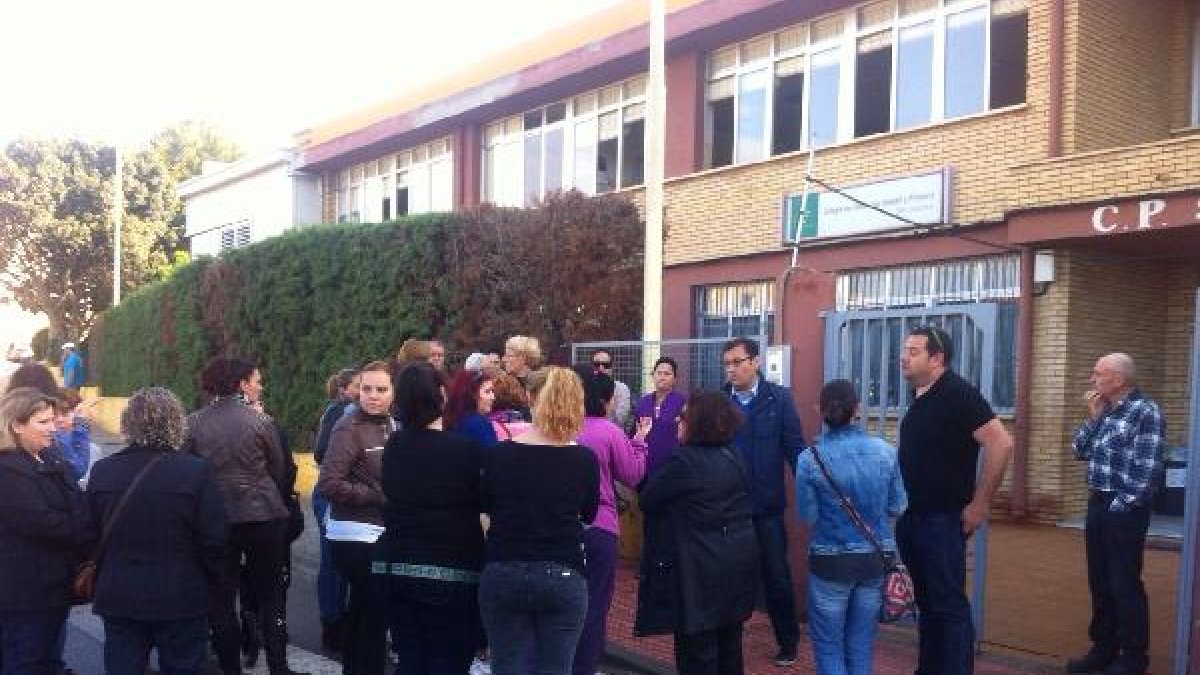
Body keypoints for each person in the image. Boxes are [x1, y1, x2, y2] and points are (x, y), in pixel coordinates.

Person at [86, 387, 228, 675]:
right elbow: (214, 538)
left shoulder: (103, 471)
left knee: (123, 667)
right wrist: (211, 579)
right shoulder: (196, 472)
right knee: (184, 665)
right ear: (176, 424)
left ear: (127, 424)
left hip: (119, 592)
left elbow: (89, 533)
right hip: (181, 593)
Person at [896, 326, 1012, 675]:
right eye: (905, 350)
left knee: (948, 607)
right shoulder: (921, 395)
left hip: (942, 521)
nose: (904, 357)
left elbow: (1000, 443)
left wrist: (980, 504)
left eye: (914, 351)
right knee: (929, 604)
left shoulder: (957, 393)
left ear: (937, 358)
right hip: (915, 518)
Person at [184, 357, 305, 675]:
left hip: (217, 519)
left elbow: (191, 472)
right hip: (263, 515)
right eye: (256, 380)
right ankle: (279, 666)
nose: (260, 385)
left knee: (221, 601)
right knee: (271, 595)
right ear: (240, 384)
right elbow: (278, 469)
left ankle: (230, 667)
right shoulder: (260, 422)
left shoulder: (193, 422)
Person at [479, 367, 600, 675]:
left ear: (531, 399)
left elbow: (484, 513)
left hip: (504, 567)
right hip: (563, 569)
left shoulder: (498, 455)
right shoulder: (584, 460)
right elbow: (587, 515)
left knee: (507, 666)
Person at [635, 392, 759, 675]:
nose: (678, 420)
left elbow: (648, 499)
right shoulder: (733, 454)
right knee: (730, 648)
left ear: (699, 422)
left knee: (697, 654)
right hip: (735, 562)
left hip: (698, 570)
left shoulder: (684, 461)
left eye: (683, 416)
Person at [376, 361, 486, 675]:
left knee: (410, 660)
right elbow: (483, 501)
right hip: (452, 570)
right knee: (448, 662)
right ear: (440, 393)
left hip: (398, 567)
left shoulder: (395, 446)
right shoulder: (465, 450)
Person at [795, 380, 907, 675]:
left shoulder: (809, 460)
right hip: (874, 560)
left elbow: (808, 515)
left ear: (820, 410)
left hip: (829, 560)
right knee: (861, 642)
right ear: (857, 410)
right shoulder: (886, 452)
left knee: (828, 644)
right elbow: (898, 505)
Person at [1066, 353, 1163, 675]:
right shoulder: (1104, 411)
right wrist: (1092, 418)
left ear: (1118, 380)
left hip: (1125, 508)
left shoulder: (1145, 412)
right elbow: (1078, 450)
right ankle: (1103, 649)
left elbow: (1147, 470)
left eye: (1098, 373)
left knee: (1124, 583)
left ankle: (1134, 657)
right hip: (1098, 503)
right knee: (1100, 582)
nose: (1092, 379)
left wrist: (1119, 508)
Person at [720, 337, 804, 665]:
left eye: (738, 362)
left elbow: (795, 449)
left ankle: (788, 642)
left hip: (767, 508)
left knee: (777, 578)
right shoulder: (720, 402)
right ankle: (728, 640)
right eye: (727, 363)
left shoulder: (778, 399)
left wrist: (811, 493)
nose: (731, 369)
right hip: (729, 509)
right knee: (729, 577)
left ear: (755, 362)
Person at [0, 387, 89, 675]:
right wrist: (85, 526)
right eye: (43, 421)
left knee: (50, 658)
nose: (53, 427)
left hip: (53, 583)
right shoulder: (9, 470)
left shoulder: (49, 456)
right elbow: (42, 522)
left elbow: (75, 497)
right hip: (25, 590)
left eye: (52, 419)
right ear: (16, 425)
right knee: (26, 659)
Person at [316, 360, 394, 675]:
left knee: (364, 610)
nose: (373, 395)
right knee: (375, 612)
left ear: (393, 393)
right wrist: (376, 495)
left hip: (377, 530)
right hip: (354, 534)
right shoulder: (348, 427)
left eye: (381, 389)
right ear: (357, 391)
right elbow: (329, 483)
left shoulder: (392, 424)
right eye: (366, 389)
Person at [572, 366, 649, 675]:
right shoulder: (609, 432)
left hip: (562, 526)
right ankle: (586, 667)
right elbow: (632, 475)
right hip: (601, 526)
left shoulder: (564, 427)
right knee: (595, 603)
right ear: (605, 401)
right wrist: (640, 442)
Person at [313, 367, 359, 652]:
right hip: (333, 494)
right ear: (344, 390)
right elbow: (320, 453)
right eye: (358, 386)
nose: (363, 392)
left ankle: (340, 623)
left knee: (342, 563)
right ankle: (332, 623)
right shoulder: (338, 412)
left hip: (341, 493)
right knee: (334, 562)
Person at [634, 356, 686, 479]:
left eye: (667, 374)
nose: (662, 377)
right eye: (659, 373)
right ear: (653, 375)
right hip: (645, 466)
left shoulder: (682, 403)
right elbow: (635, 434)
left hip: (673, 467)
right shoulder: (642, 403)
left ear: (675, 378)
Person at [444, 368, 499, 447]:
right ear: (472, 395)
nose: (493, 397)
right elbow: (493, 455)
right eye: (487, 391)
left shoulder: (452, 419)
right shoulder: (478, 423)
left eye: (492, 391)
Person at [590, 350, 630, 430]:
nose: (601, 368)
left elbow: (620, 420)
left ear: (611, 368)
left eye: (606, 365)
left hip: (613, 436)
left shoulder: (621, 388)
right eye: (596, 365)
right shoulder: (586, 387)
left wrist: (608, 405)